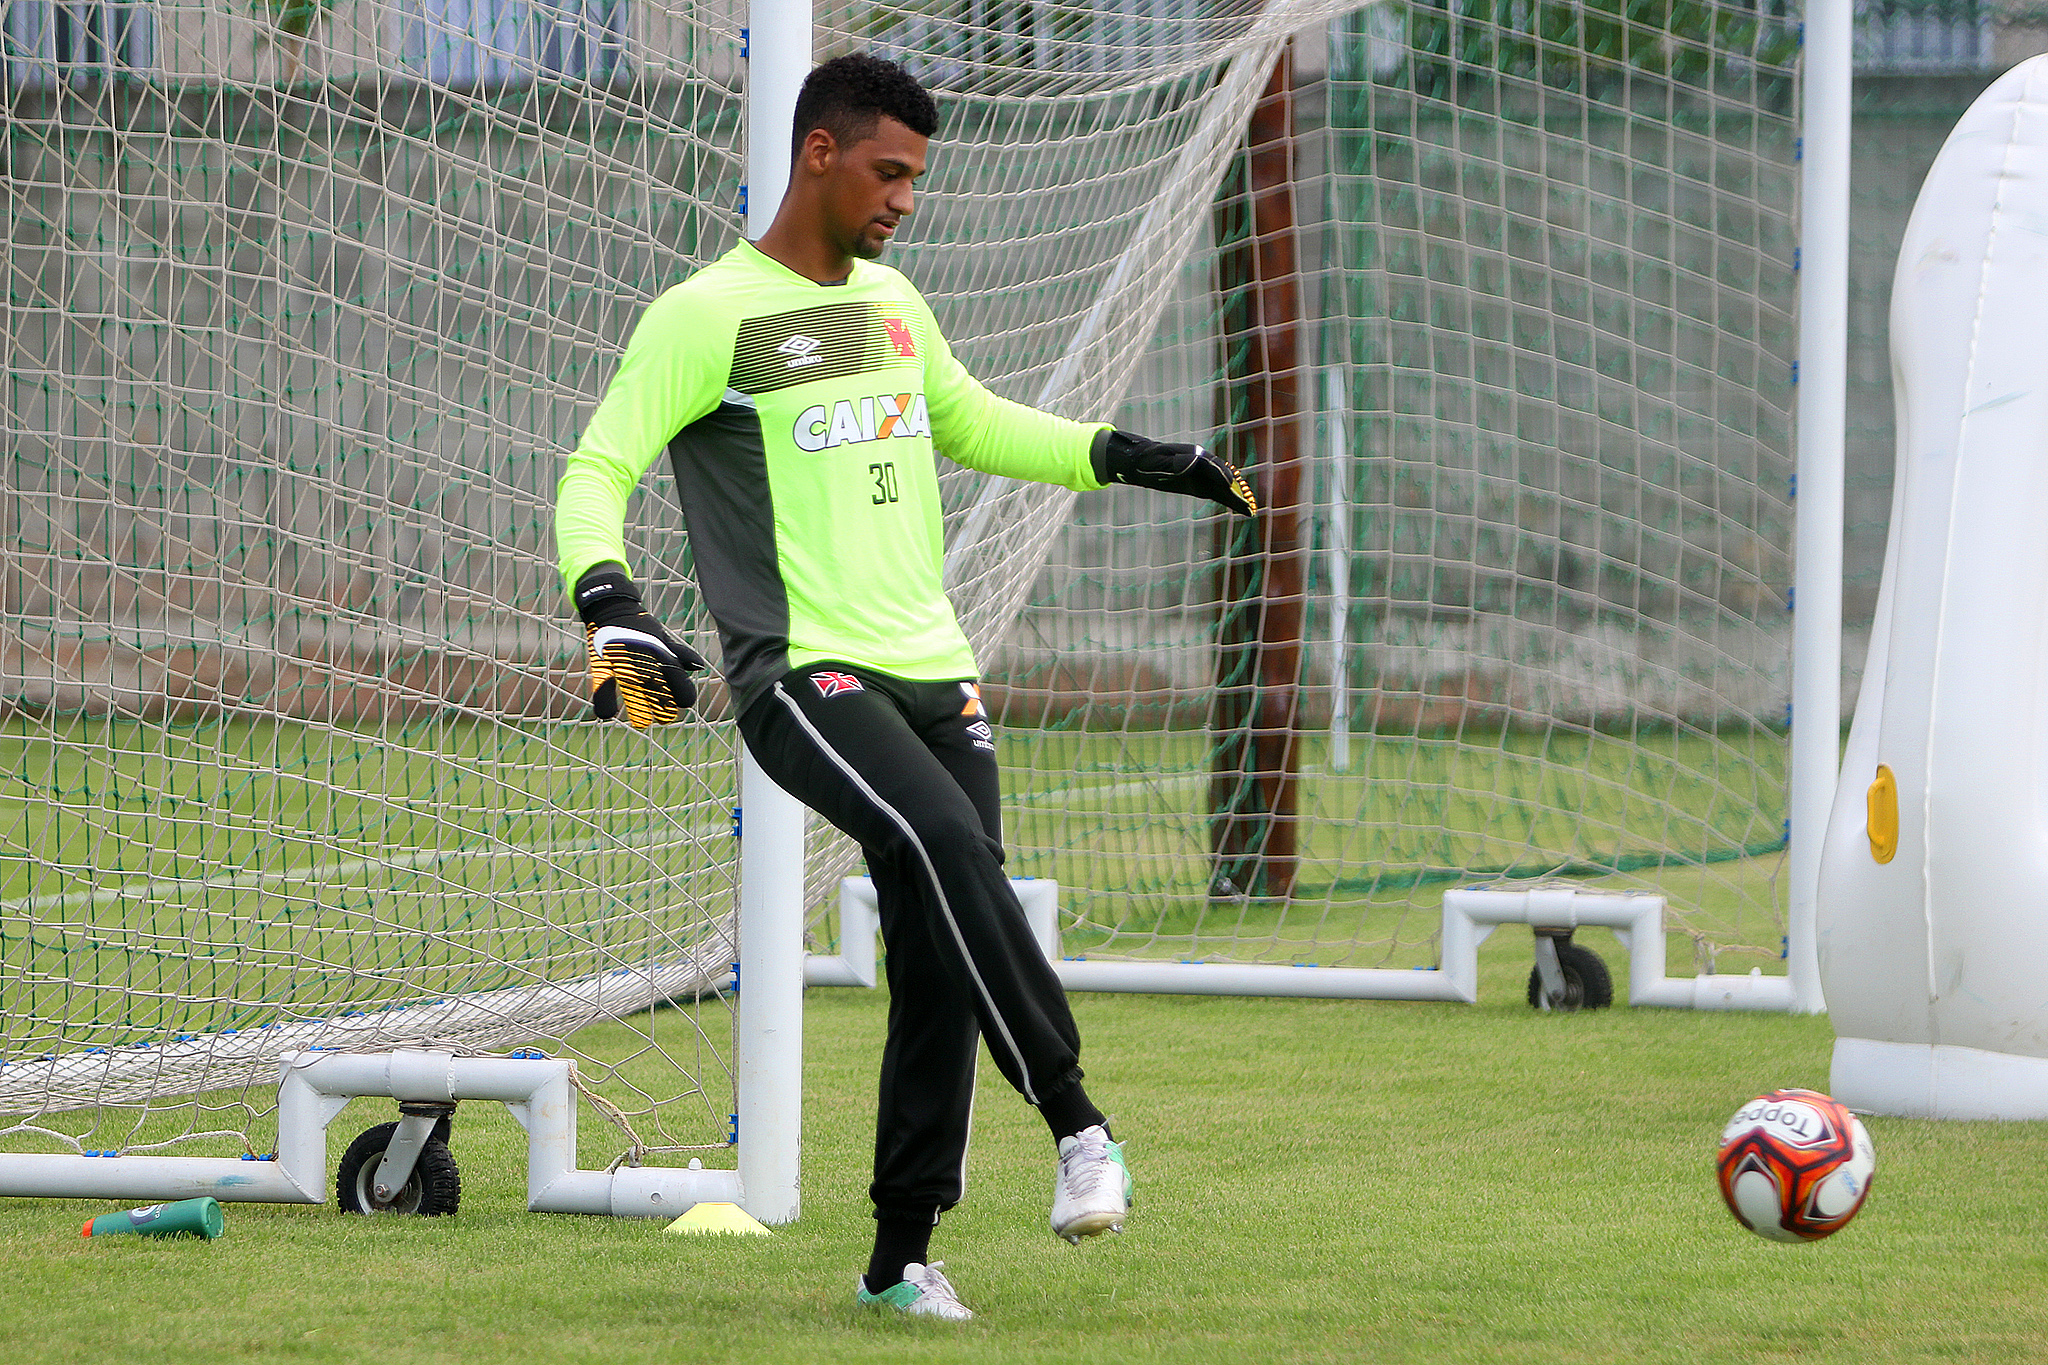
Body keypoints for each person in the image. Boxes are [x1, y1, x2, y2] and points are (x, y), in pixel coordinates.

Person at [554, 52, 1256, 1321]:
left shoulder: (891, 302)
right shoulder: (706, 315)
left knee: (939, 947)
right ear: (819, 152)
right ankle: (1077, 1123)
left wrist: (1131, 456)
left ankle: (895, 1264)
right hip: (801, 672)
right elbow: (597, 468)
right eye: (888, 172)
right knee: (941, 842)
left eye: (915, 179)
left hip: (936, 668)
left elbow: (973, 422)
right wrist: (608, 602)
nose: (904, 200)